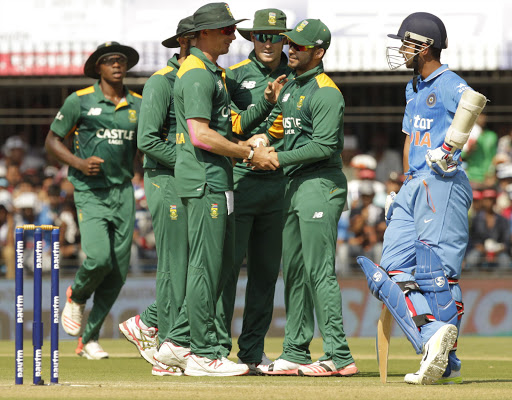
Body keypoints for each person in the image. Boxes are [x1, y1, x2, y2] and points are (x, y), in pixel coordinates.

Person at [153, 2, 285, 377]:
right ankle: (203, 352)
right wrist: (247, 154)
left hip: (212, 178)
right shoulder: (197, 74)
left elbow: (231, 124)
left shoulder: (210, 71)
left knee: (207, 266)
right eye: (226, 30)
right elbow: (201, 134)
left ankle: (176, 344)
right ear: (204, 34)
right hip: (205, 179)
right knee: (206, 268)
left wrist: (266, 102)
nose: (232, 36)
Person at [357, 12, 487, 385]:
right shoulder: (412, 87)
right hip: (415, 183)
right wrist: (403, 181)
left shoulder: (447, 81)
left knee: (435, 273)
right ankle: (432, 339)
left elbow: (473, 102)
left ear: (424, 46)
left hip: (443, 178)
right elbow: (410, 136)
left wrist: (449, 148)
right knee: (390, 273)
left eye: (406, 42)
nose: (400, 49)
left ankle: (444, 360)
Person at [248, 19, 358, 377]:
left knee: (318, 271)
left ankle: (339, 357)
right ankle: (295, 351)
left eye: (299, 46)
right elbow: (279, 129)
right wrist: (263, 142)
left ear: (319, 52)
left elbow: (325, 144)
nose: (290, 50)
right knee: (294, 272)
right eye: (290, 44)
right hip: (293, 185)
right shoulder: (291, 86)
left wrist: (277, 157)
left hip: (320, 185)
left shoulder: (326, 92)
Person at [45, 41, 141, 359]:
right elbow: (52, 140)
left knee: (118, 272)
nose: (117, 64)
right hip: (90, 191)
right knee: (99, 259)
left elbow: (148, 143)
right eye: (109, 60)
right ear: (97, 68)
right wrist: (78, 163)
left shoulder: (138, 104)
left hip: (123, 191)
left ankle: (89, 338)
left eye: (121, 60)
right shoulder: (80, 101)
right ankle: (76, 294)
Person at [117, 16, 197, 377]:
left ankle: (147, 323)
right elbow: (146, 140)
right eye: (212, 34)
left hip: (194, 180)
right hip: (166, 179)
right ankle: (165, 341)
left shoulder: (207, 78)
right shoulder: (161, 82)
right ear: (185, 42)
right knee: (175, 264)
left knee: (197, 264)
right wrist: (188, 161)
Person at [215, 8, 292, 373]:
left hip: (279, 186)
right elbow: (224, 127)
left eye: (275, 36)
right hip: (241, 181)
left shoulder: (298, 76)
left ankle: (252, 352)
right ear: (251, 38)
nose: (267, 42)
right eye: (261, 35)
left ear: (285, 40)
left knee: (264, 274)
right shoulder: (233, 77)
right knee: (226, 270)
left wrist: (272, 146)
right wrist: (251, 145)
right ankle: (214, 348)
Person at [461, 113, 497, 185]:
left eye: (483, 115)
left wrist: (491, 174)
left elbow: (494, 156)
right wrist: (469, 149)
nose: (481, 118)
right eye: (479, 115)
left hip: (487, 176)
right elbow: (462, 156)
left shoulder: (492, 136)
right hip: (471, 176)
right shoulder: (467, 136)